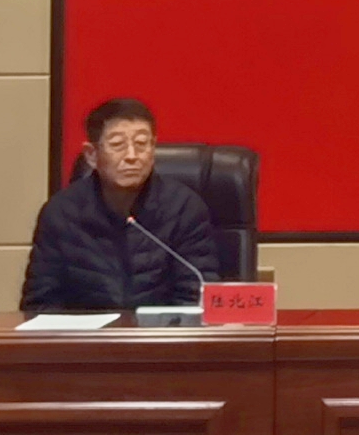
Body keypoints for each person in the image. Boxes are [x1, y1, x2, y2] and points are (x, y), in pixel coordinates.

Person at [19, 96, 224, 313]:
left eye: (142, 144)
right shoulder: (61, 213)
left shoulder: (183, 208)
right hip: (85, 334)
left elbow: (196, 298)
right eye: (117, 145)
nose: (132, 156)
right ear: (91, 155)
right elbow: (39, 304)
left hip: (161, 332)